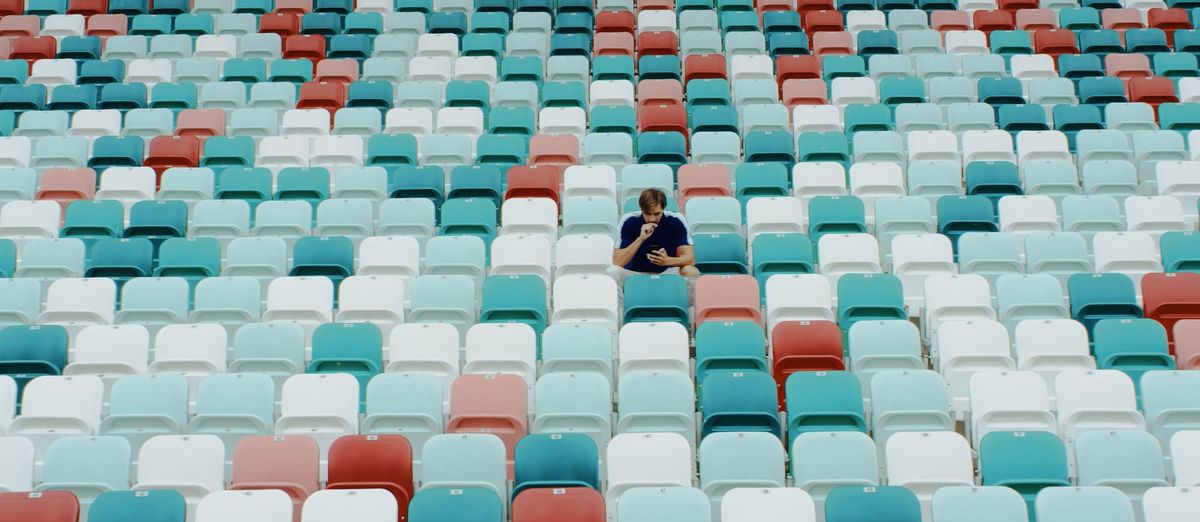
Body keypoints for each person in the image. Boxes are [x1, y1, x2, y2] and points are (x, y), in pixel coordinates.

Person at [608, 188, 700, 292]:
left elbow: (690, 259)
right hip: (634, 272)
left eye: (656, 214)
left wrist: (668, 261)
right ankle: (620, 307)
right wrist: (641, 238)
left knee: (690, 271)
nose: (652, 218)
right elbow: (618, 262)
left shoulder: (676, 220)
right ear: (642, 209)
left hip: (666, 271)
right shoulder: (629, 220)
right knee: (612, 271)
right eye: (647, 213)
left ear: (663, 209)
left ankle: (685, 307)